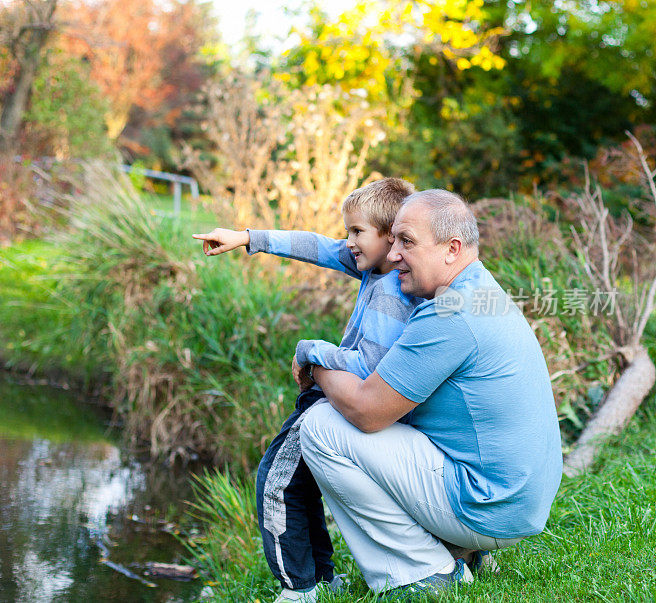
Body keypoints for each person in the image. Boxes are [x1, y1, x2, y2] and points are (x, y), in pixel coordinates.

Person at [297, 189, 563, 598]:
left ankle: (424, 571)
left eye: (407, 241)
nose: (394, 253)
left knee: (320, 425)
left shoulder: (450, 312)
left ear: (452, 249)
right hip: (518, 500)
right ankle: (462, 549)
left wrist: (316, 366)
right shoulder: (482, 291)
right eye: (394, 239)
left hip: (491, 508)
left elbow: (368, 410)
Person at [192, 178, 418, 602]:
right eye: (347, 231)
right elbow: (314, 246)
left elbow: (370, 367)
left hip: (340, 399)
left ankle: (298, 589)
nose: (348, 241)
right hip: (336, 396)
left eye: (356, 232)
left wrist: (310, 352)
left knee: (276, 482)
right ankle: (321, 579)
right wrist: (245, 238)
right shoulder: (377, 265)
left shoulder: (392, 292)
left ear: (391, 237)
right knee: (300, 482)